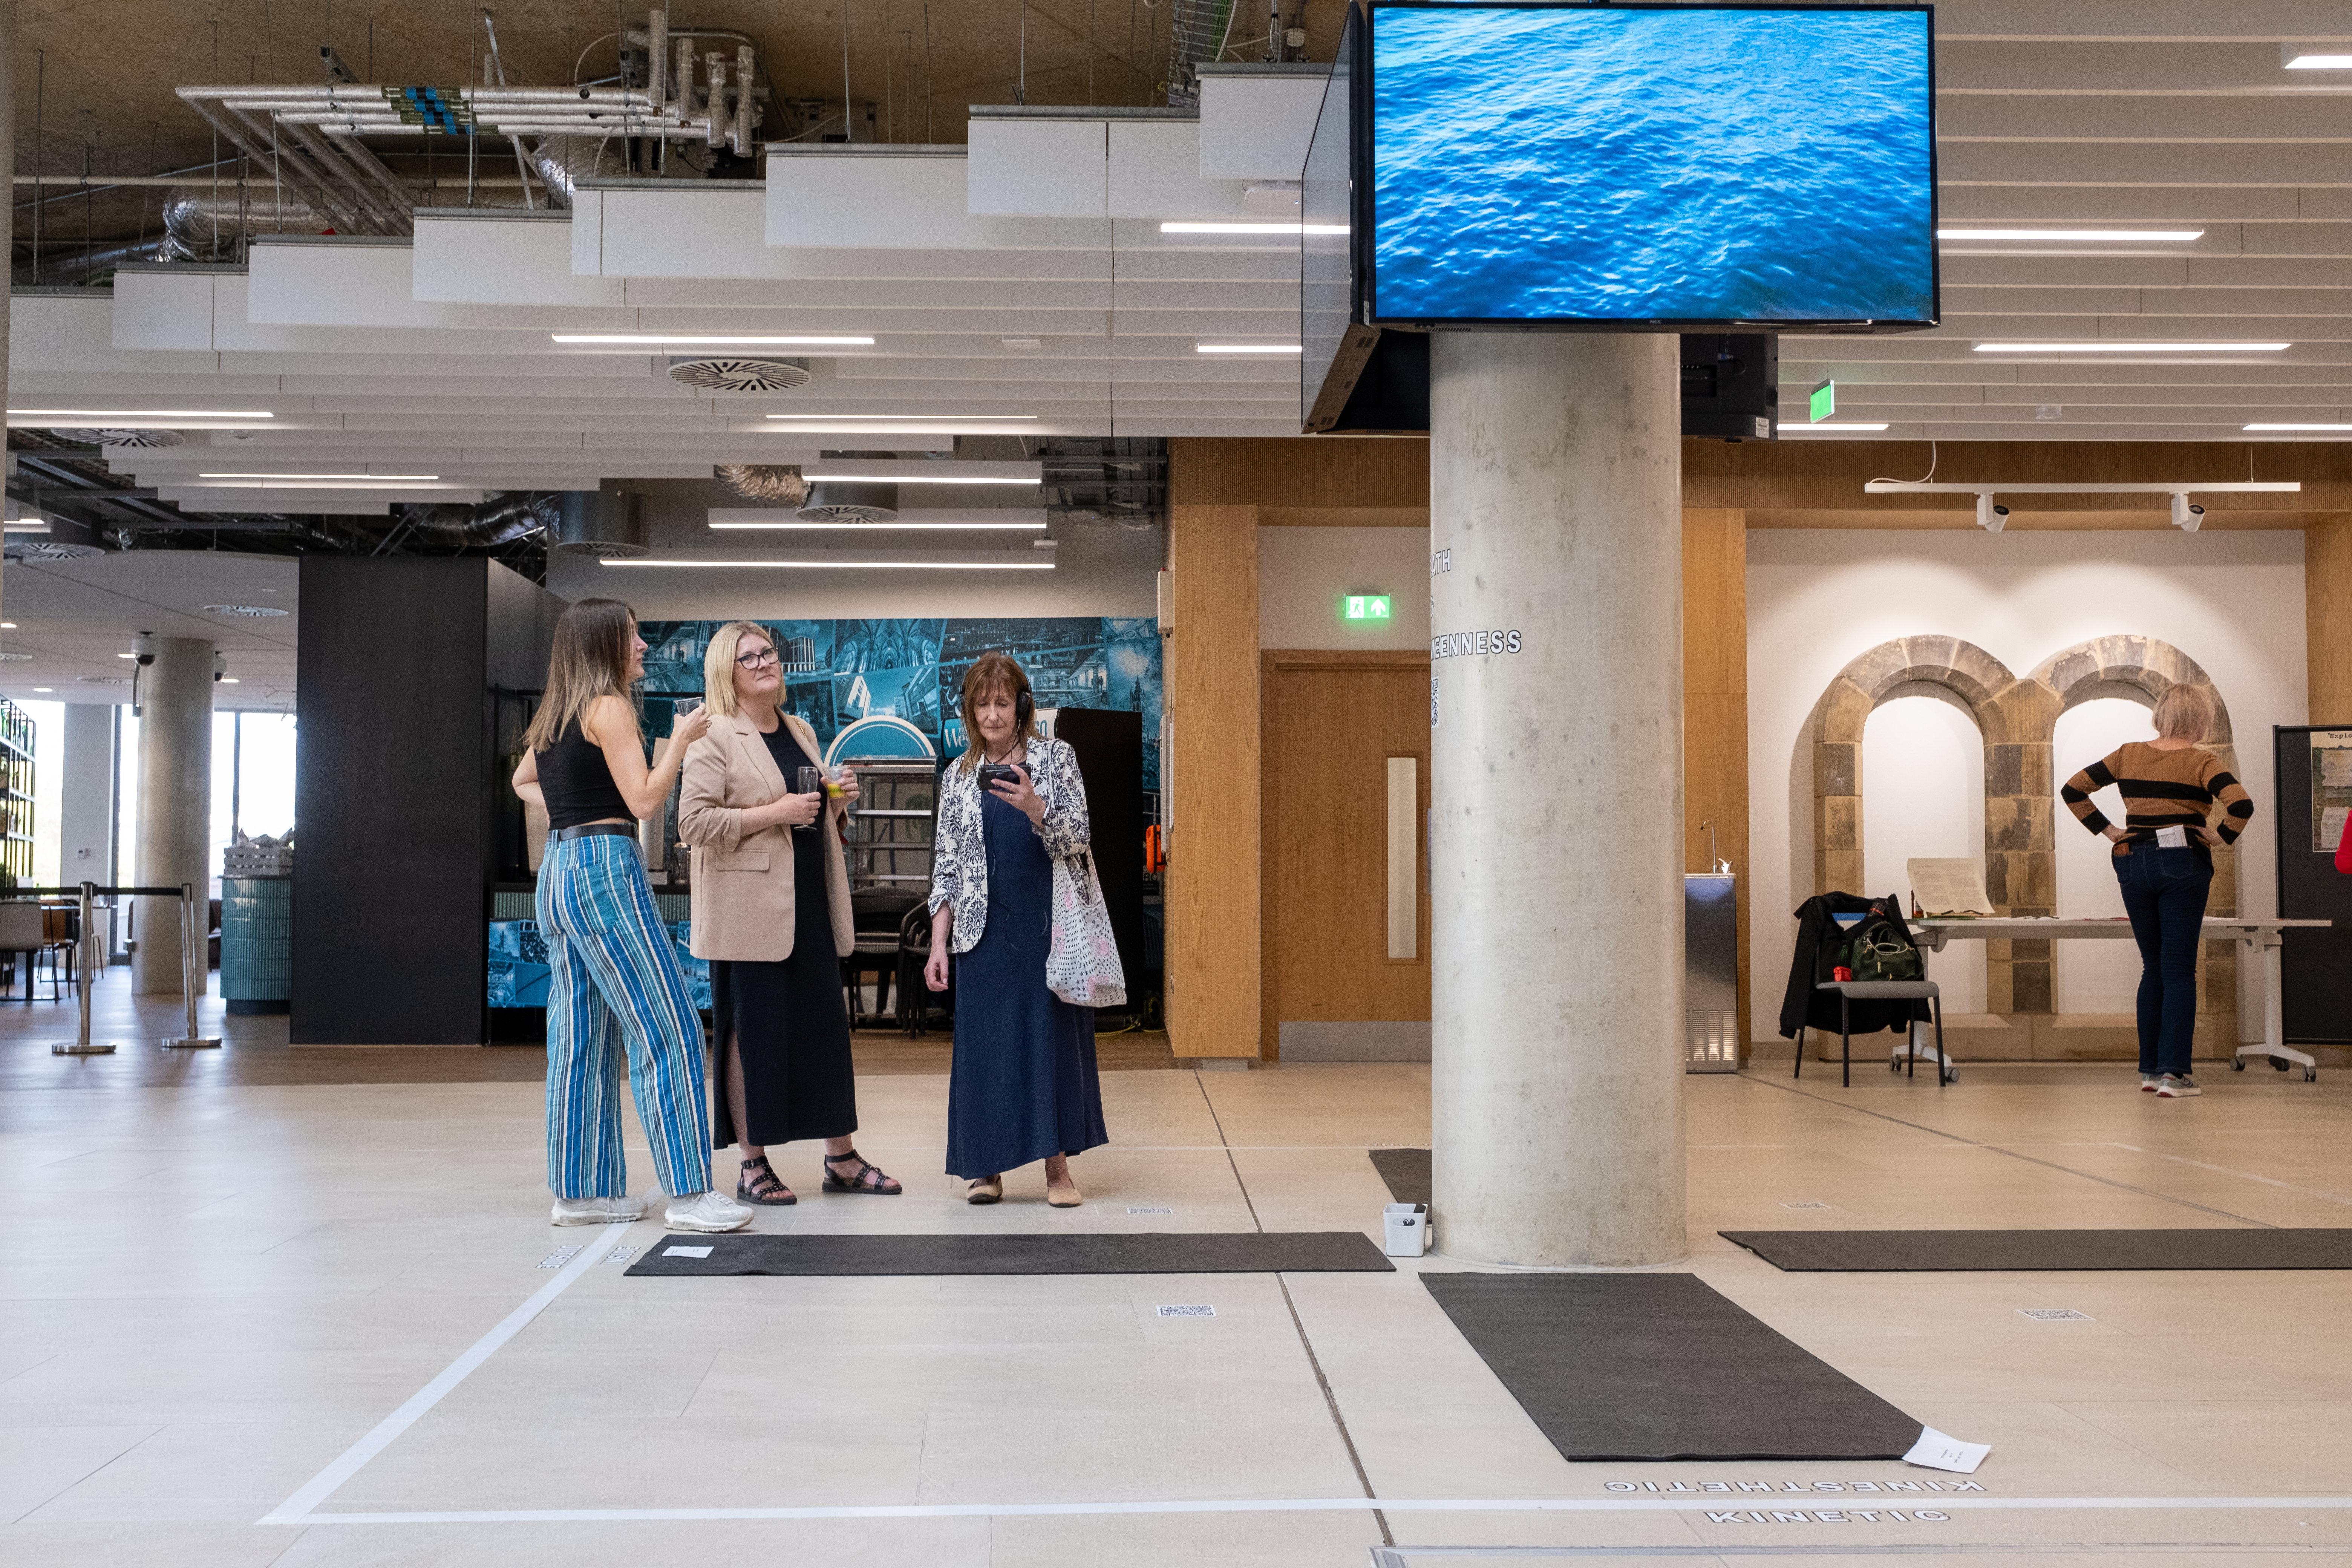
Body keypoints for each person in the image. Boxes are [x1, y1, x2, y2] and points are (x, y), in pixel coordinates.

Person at [511, 598, 749, 1234]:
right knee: (667, 1025)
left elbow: (522, 781)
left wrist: (570, 814)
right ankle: (692, 1195)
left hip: (559, 873)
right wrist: (681, 742)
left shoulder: (558, 711)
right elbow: (645, 801)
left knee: (578, 1036)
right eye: (633, 635)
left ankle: (582, 1192)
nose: (643, 645)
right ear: (604, 644)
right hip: (605, 870)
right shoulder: (611, 708)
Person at [679, 620, 900, 1205]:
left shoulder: (799, 729)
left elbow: (809, 812)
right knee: (752, 1036)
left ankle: (842, 1158)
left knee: (825, 1031)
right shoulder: (713, 735)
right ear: (726, 673)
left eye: (768, 653)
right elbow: (694, 823)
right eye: (747, 657)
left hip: (808, 907)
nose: (762, 663)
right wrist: (774, 812)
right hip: (747, 916)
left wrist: (835, 802)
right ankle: (752, 1164)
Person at [925, 653, 1108, 1206]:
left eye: (1003, 703)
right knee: (987, 1050)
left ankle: (1058, 1171)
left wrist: (1036, 806)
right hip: (982, 931)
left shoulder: (1058, 759)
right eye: (983, 704)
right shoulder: (958, 775)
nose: (993, 715)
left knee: (1048, 1044)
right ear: (969, 709)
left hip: (1047, 925)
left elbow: (1078, 837)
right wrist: (938, 941)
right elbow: (947, 866)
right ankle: (986, 1168)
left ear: (1023, 706)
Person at [2060, 685, 2254, 1099]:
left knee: (2153, 967)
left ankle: (2151, 1071)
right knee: (2179, 969)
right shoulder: (2202, 760)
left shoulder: (2128, 753)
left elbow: (2073, 790)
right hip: (2182, 861)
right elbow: (2241, 805)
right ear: (2199, 720)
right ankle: (2175, 1074)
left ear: (2161, 715)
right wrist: (2218, 836)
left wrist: (2111, 831)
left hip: (2133, 859)